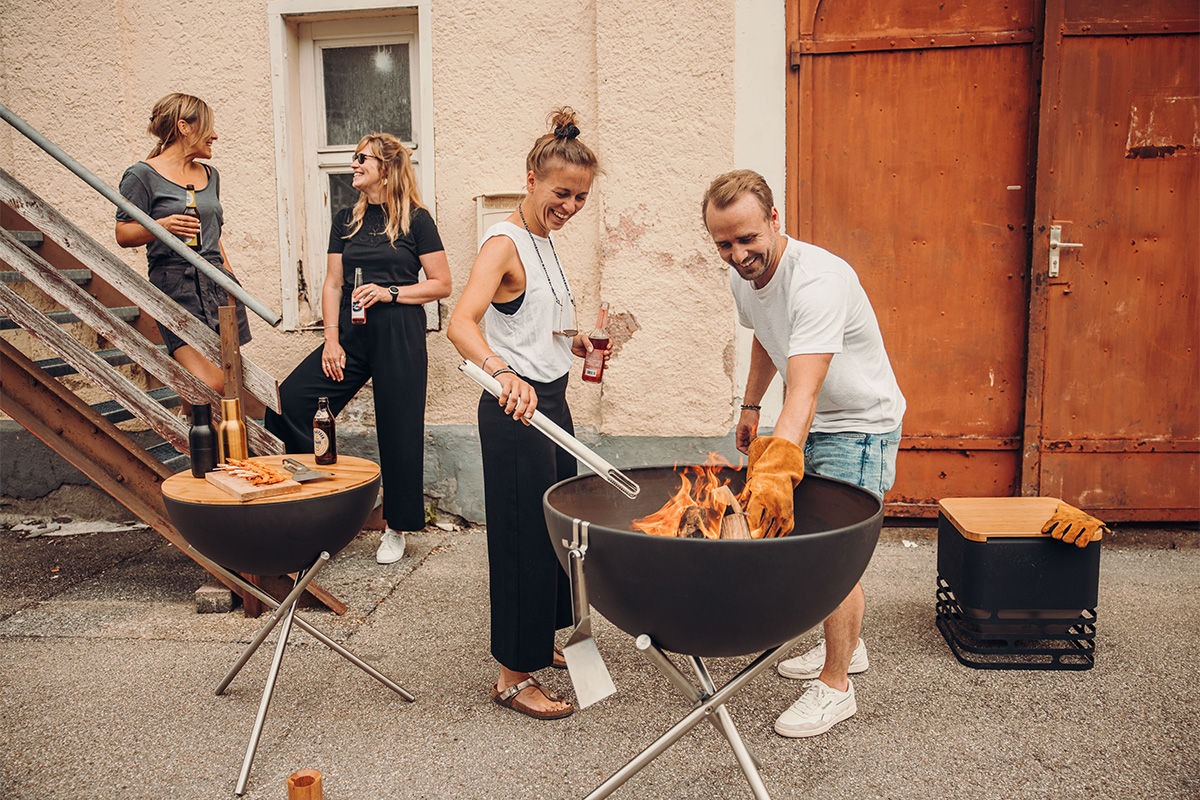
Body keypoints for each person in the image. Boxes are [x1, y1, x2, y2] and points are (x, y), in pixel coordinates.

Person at [702, 169, 906, 738]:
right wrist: (750, 407)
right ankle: (848, 646)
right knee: (819, 547)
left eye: (748, 238)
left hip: (858, 426)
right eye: (724, 244)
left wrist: (773, 473)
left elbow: (805, 391)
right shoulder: (744, 277)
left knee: (833, 557)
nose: (738, 255)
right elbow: (768, 337)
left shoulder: (819, 281)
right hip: (813, 422)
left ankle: (836, 688)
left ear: (774, 219)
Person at [446, 107, 605, 721]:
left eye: (581, 197)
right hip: (517, 410)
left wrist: (577, 340)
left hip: (554, 401)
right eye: (561, 193)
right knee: (522, 541)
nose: (570, 206)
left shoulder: (544, 241)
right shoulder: (503, 242)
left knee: (558, 533)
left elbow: (532, 321)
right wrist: (502, 372)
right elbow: (462, 324)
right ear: (531, 180)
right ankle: (513, 676)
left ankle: (541, 639)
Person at [265, 133, 451, 564]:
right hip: (352, 332)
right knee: (291, 403)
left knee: (399, 429)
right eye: (353, 157)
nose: (353, 164)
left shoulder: (417, 220)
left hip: (399, 331)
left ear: (386, 169)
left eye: (361, 158)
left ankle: (396, 528)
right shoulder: (346, 219)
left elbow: (441, 284)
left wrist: (390, 292)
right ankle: (316, 500)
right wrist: (331, 340)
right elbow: (333, 283)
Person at [115, 93, 263, 417]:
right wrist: (161, 226)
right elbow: (123, 233)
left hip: (217, 282)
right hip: (175, 283)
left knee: (226, 380)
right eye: (209, 127)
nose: (215, 135)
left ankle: (194, 440)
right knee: (210, 382)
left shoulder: (211, 175)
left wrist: (232, 283)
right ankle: (193, 430)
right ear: (184, 127)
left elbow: (214, 236)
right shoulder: (141, 175)